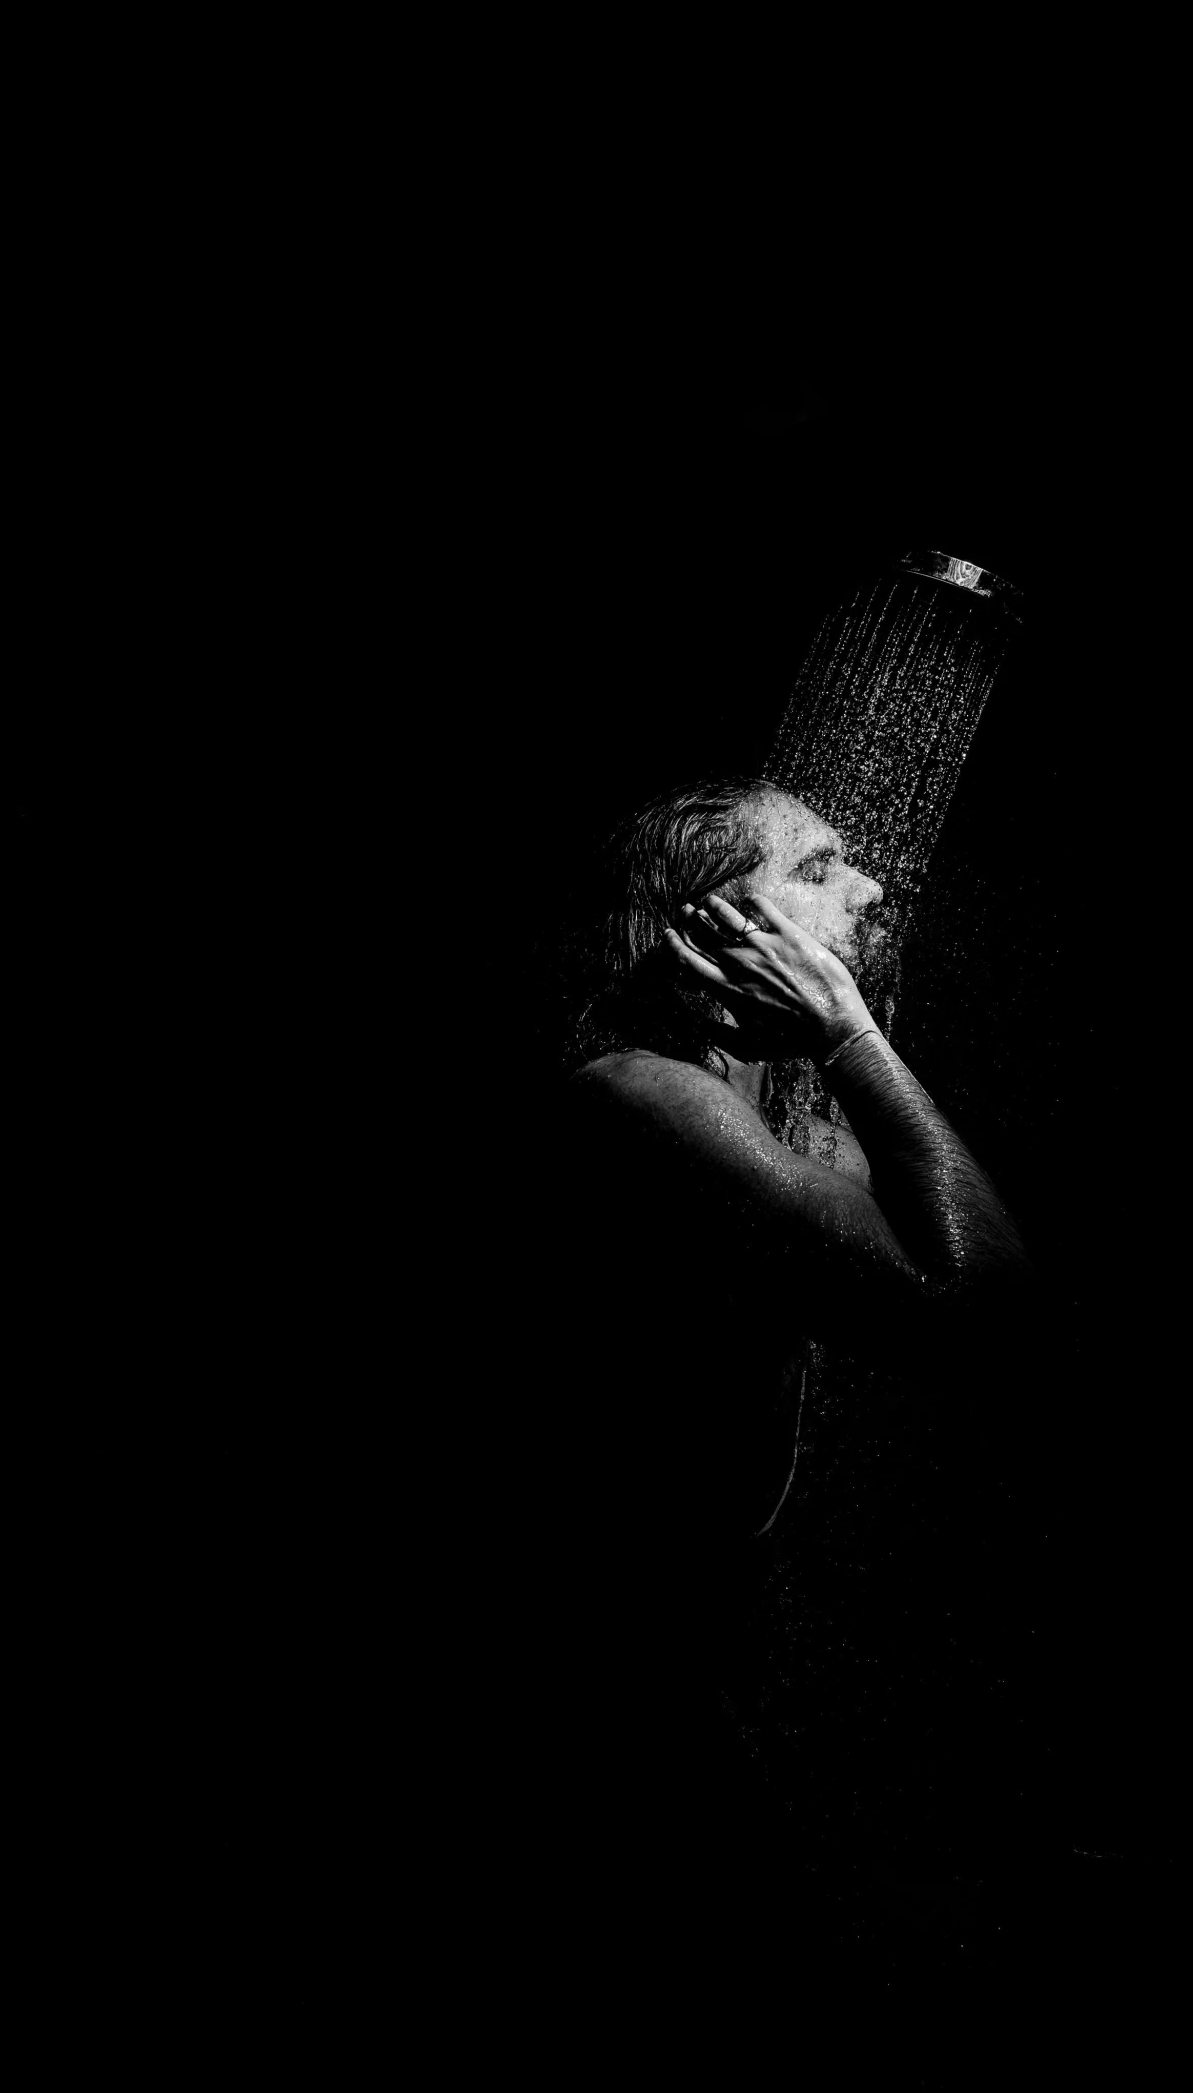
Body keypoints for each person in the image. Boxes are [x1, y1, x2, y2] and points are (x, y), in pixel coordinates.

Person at [486, 774, 1035, 1980]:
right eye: (816, 867)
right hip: (598, 1664)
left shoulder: (753, 1096)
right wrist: (849, 1033)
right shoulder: (643, 1097)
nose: (870, 887)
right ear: (708, 927)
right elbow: (973, 1300)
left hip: (695, 1641)